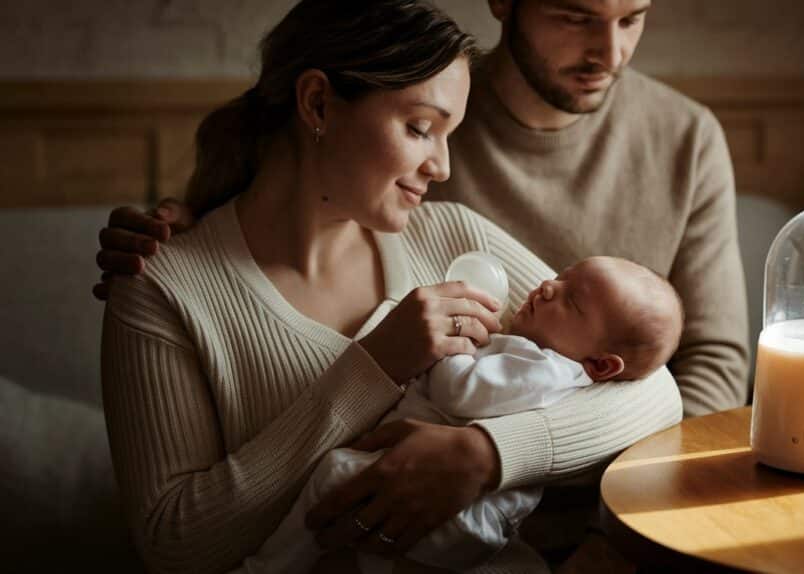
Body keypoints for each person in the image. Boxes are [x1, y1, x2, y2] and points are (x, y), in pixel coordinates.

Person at [98, 1, 683, 573]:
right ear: (318, 102)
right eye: (420, 128)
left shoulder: (456, 239)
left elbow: (656, 392)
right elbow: (173, 545)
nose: (442, 167)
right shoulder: (161, 291)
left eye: (449, 134)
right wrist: (375, 366)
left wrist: (486, 455)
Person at [239, 256, 684, 573]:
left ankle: (267, 566)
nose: (549, 286)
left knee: (336, 474)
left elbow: (462, 393)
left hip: (467, 518)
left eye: (572, 302)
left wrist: (454, 346)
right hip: (455, 513)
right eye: (562, 276)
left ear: (601, 366)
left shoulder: (546, 371)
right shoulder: (536, 352)